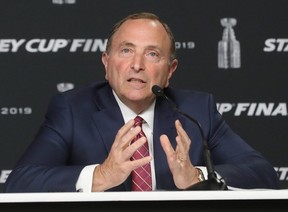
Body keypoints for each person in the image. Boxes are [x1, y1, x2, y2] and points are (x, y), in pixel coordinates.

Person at [4, 12, 279, 192]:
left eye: (152, 54)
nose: (137, 65)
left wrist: (198, 177)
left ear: (169, 71)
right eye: (126, 51)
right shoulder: (72, 110)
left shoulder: (196, 111)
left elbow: (263, 173)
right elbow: (20, 183)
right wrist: (100, 175)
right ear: (106, 62)